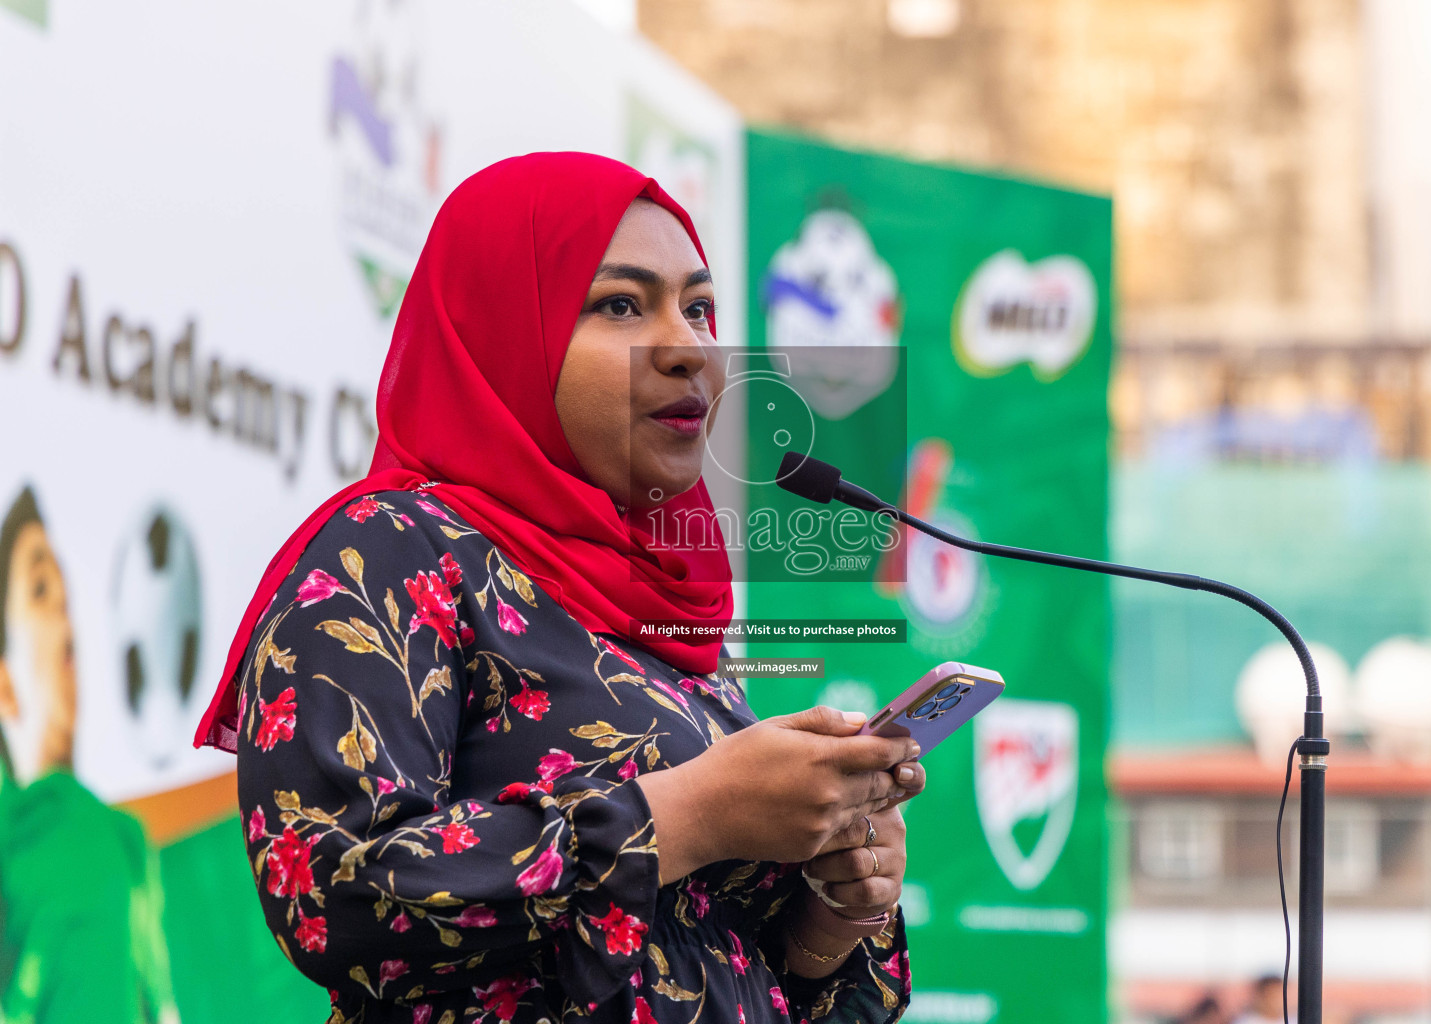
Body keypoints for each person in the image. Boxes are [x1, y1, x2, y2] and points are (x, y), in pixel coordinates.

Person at [194, 152, 921, 1024]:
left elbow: (722, 969)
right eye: (621, 304)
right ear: (509, 326)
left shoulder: (662, 612)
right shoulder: (394, 549)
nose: (689, 346)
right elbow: (331, 893)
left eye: (698, 309)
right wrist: (694, 813)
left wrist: (835, 911)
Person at [0, 485, 180, 1024]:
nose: (65, 620)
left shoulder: (123, 836)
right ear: (4, 681)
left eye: (65, 598)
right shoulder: (10, 842)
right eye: (39, 592)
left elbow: (160, 1000)